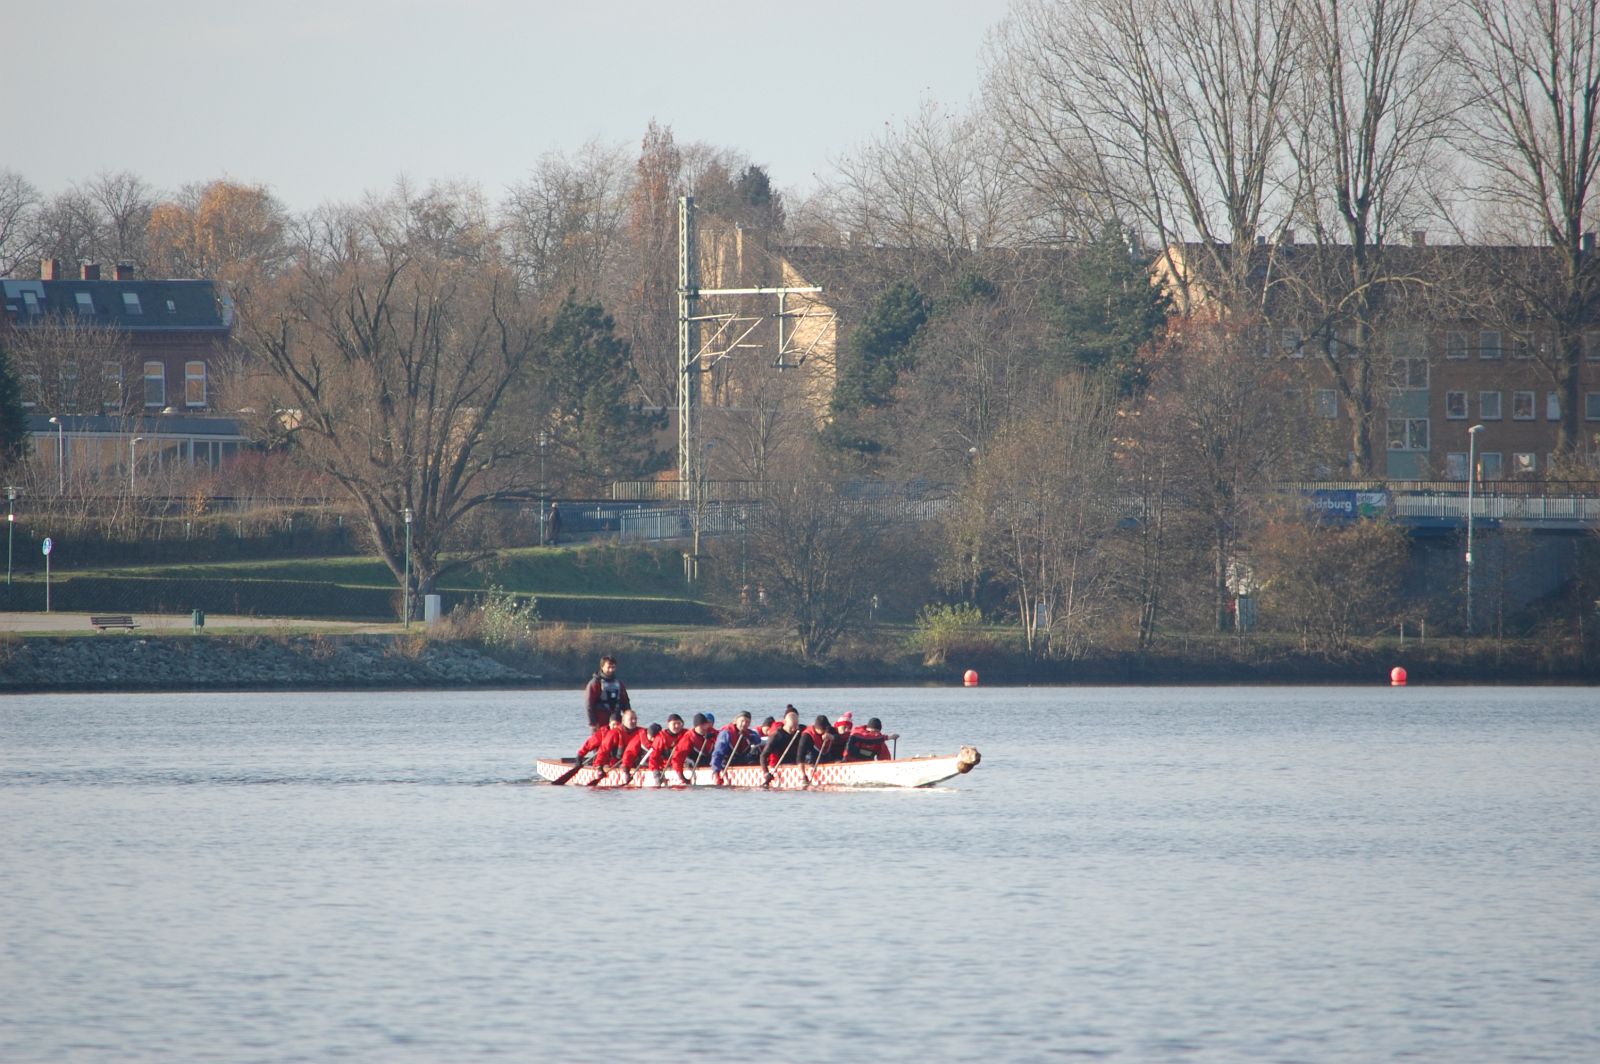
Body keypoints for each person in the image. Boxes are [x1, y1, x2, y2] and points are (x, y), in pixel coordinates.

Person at [668, 713, 718, 784]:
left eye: (705, 725)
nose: (705, 728)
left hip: (708, 761)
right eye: (702, 726)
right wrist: (681, 776)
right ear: (696, 726)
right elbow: (677, 758)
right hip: (693, 763)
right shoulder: (688, 738)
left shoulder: (712, 732)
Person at [593, 707, 643, 778]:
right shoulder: (613, 733)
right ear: (623, 721)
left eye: (635, 719)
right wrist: (599, 767)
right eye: (631, 719)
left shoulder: (641, 732)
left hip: (633, 764)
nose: (634, 721)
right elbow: (604, 750)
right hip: (614, 764)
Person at [710, 710, 760, 780]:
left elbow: (758, 740)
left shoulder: (750, 734)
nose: (744, 724)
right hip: (727, 763)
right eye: (742, 721)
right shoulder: (726, 733)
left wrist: (749, 736)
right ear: (736, 721)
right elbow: (718, 753)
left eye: (747, 722)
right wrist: (716, 771)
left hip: (742, 761)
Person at [584, 655, 630, 730]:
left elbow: (625, 703)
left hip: (616, 722)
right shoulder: (595, 683)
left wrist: (628, 719)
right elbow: (589, 705)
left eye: (613, 667)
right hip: (600, 723)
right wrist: (593, 723)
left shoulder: (619, 684)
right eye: (608, 667)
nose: (611, 670)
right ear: (602, 667)